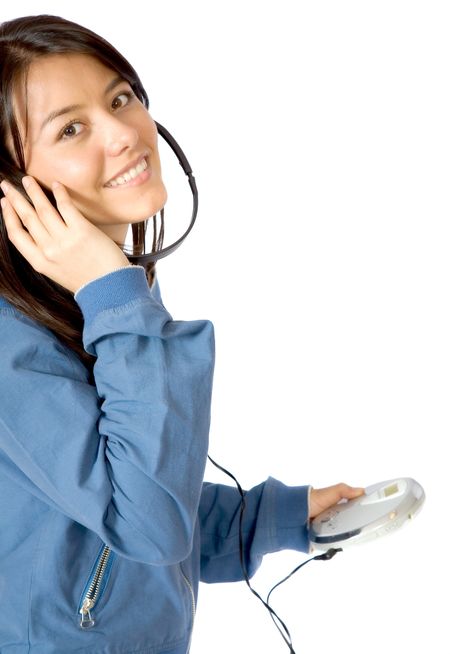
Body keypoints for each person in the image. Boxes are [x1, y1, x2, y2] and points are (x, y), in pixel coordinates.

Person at [0, 14, 364, 654]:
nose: (124, 134)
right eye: (71, 128)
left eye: (121, 98)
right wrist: (114, 294)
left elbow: (121, 497)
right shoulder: (17, 339)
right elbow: (145, 522)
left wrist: (270, 518)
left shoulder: (96, 295)